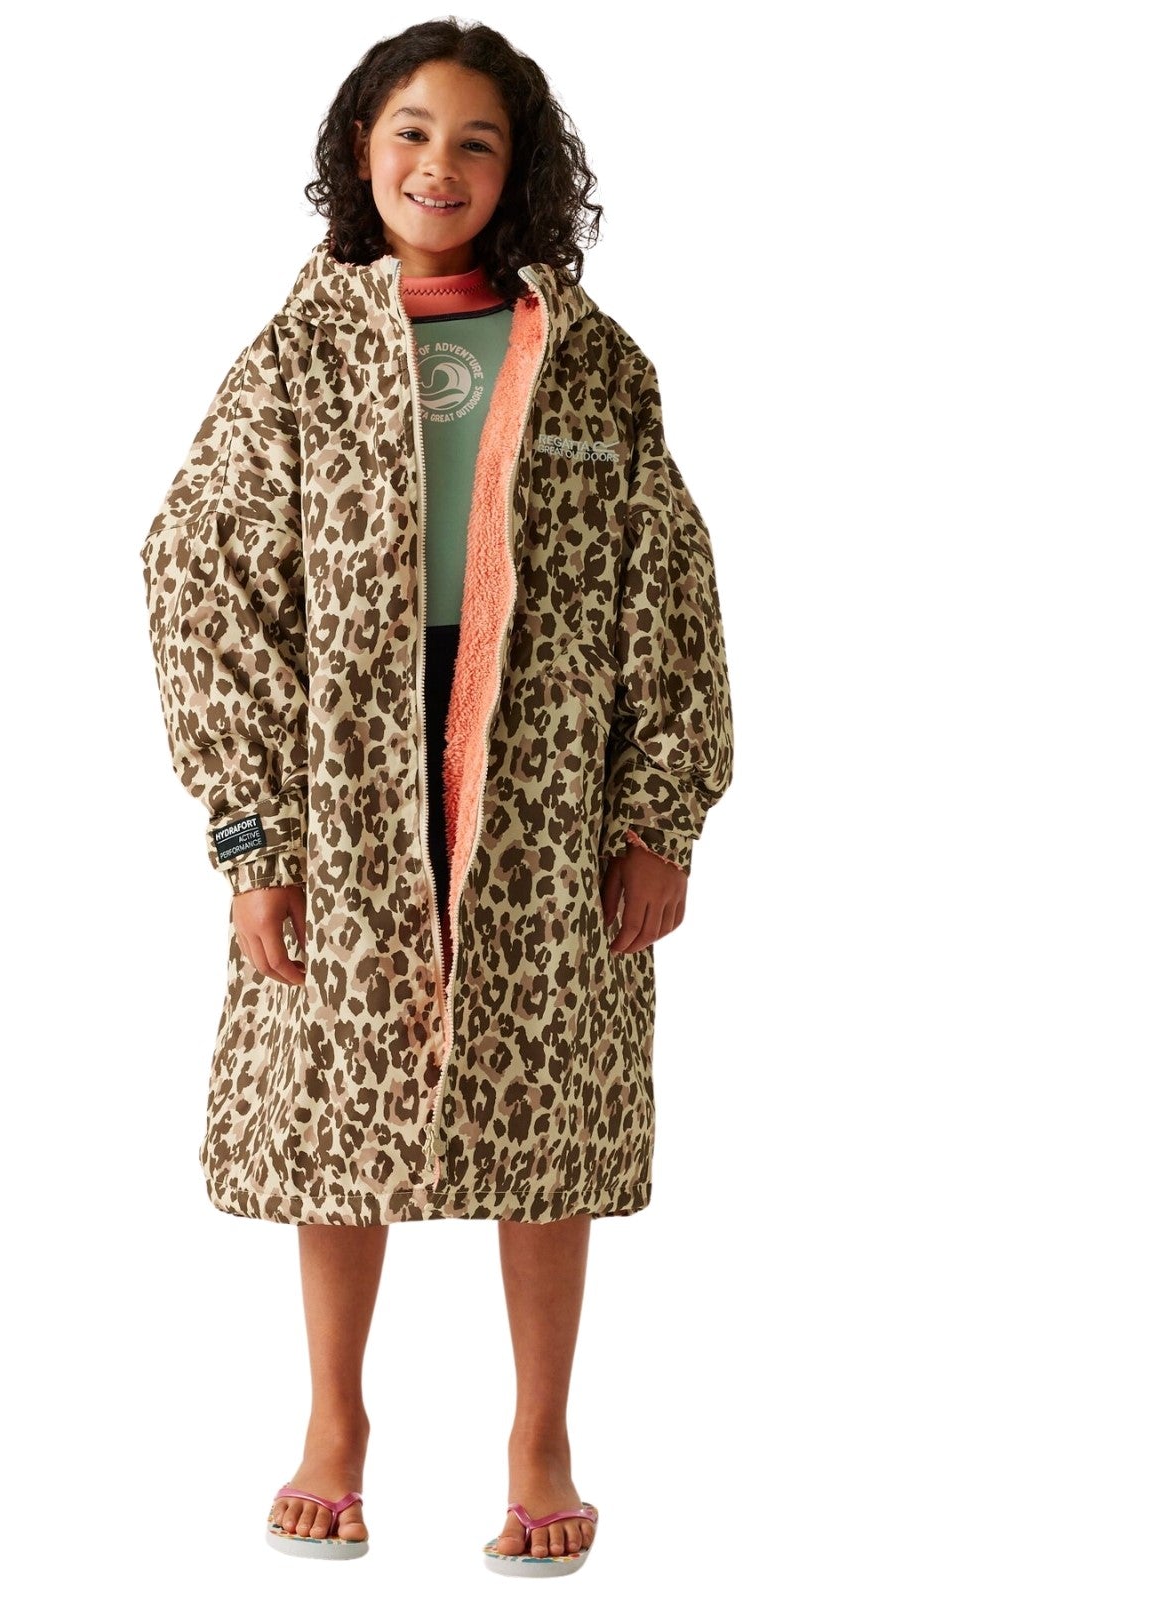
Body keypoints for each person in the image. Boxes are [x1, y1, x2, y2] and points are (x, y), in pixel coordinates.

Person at [138, 18, 733, 1576]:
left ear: (519, 170)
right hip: (345, 770)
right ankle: (334, 1422)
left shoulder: (594, 361)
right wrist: (253, 831)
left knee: (551, 1093)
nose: (439, 165)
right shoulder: (300, 354)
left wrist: (658, 813)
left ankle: (541, 1432)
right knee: (341, 1087)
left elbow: (667, 585)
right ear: (363, 150)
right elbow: (200, 571)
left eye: (477, 140)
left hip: (547, 770)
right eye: (411, 132)